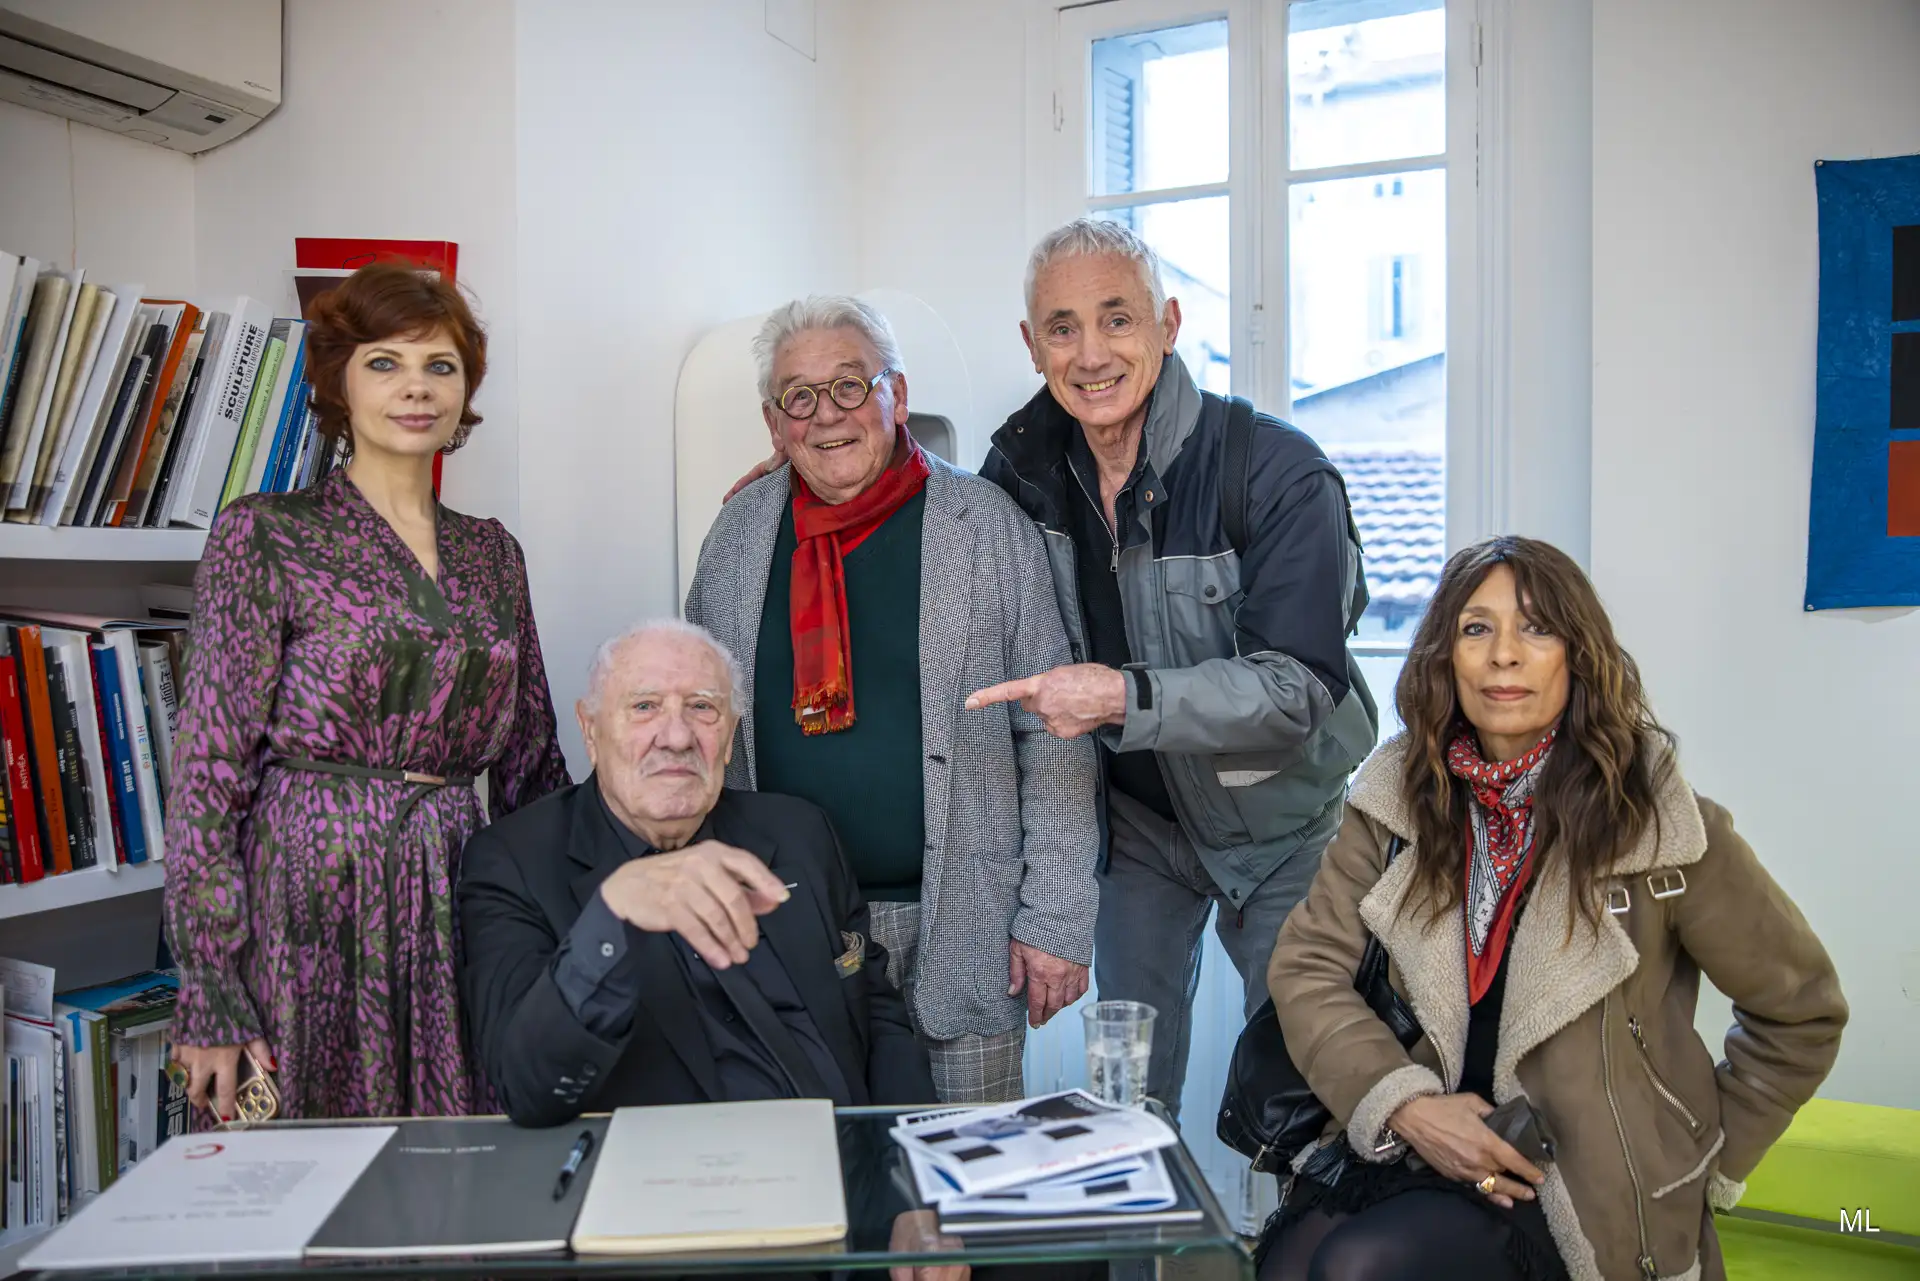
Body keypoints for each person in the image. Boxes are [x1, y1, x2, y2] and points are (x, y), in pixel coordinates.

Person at [1261, 536, 1846, 1281]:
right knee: (1288, 1261)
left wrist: (1700, 1159)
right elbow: (1307, 969)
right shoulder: (1395, 802)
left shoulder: (1659, 826)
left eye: (1537, 628)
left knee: (1357, 1265)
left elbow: (1802, 1011)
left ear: (1579, 657)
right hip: (1420, 1137)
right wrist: (1404, 1104)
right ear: (1445, 657)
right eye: (1476, 628)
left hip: (1574, 1183)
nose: (1504, 655)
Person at [967, 218, 1377, 1115]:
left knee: (1303, 1090)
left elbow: (1299, 686)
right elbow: (941, 537)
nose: (1091, 353)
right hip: (1137, 832)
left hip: (1284, 828)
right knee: (1128, 1094)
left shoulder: (1277, 469)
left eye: (1117, 319)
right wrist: (816, 461)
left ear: (1169, 323)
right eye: (1064, 327)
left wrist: (1121, 694)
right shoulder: (1017, 475)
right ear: (1032, 346)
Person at [164, 263, 571, 1123]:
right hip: (305, 898)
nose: (416, 388)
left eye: (440, 366)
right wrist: (211, 991)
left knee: (460, 1152)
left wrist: (585, 929)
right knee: (298, 1158)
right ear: (339, 385)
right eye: (385, 363)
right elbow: (207, 779)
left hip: (457, 891)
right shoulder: (266, 534)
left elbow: (533, 770)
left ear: (465, 391)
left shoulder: (495, 554)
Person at [687, 296, 1100, 1104]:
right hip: (782, 926)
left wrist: (1055, 915)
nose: (826, 414)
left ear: (897, 396)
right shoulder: (737, 536)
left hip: (966, 921)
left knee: (970, 1167)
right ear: (774, 423)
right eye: (799, 396)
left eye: (850, 386)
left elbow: (1053, 732)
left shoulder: (986, 526)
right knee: (813, 1161)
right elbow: (700, 724)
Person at [457, 619, 935, 1122]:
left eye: (702, 707)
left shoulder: (801, 832)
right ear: (590, 730)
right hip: (666, 1165)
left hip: (841, 1152)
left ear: (729, 738)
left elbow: (878, 1019)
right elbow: (529, 1088)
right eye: (645, 706)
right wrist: (610, 920)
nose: (677, 736)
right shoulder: (512, 863)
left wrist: (908, 1154)